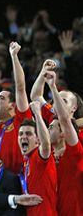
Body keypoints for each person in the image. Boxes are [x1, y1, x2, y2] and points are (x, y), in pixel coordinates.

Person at [44, 71, 83, 215]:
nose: (56, 104)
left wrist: (53, 87)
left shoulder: (75, 148)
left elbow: (65, 121)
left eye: (63, 101)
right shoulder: (45, 154)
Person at [0, 42, 32, 174]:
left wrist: (14, 56)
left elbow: (20, 87)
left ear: (13, 105)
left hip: (17, 181)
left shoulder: (21, 121)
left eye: (1, 98)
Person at [20, 101, 57, 216]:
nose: (23, 137)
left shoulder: (39, 156)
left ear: (38, 140)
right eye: (20, 134)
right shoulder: (26, 161)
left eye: (28, 134)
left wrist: (37, 114)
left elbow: (46, 144)